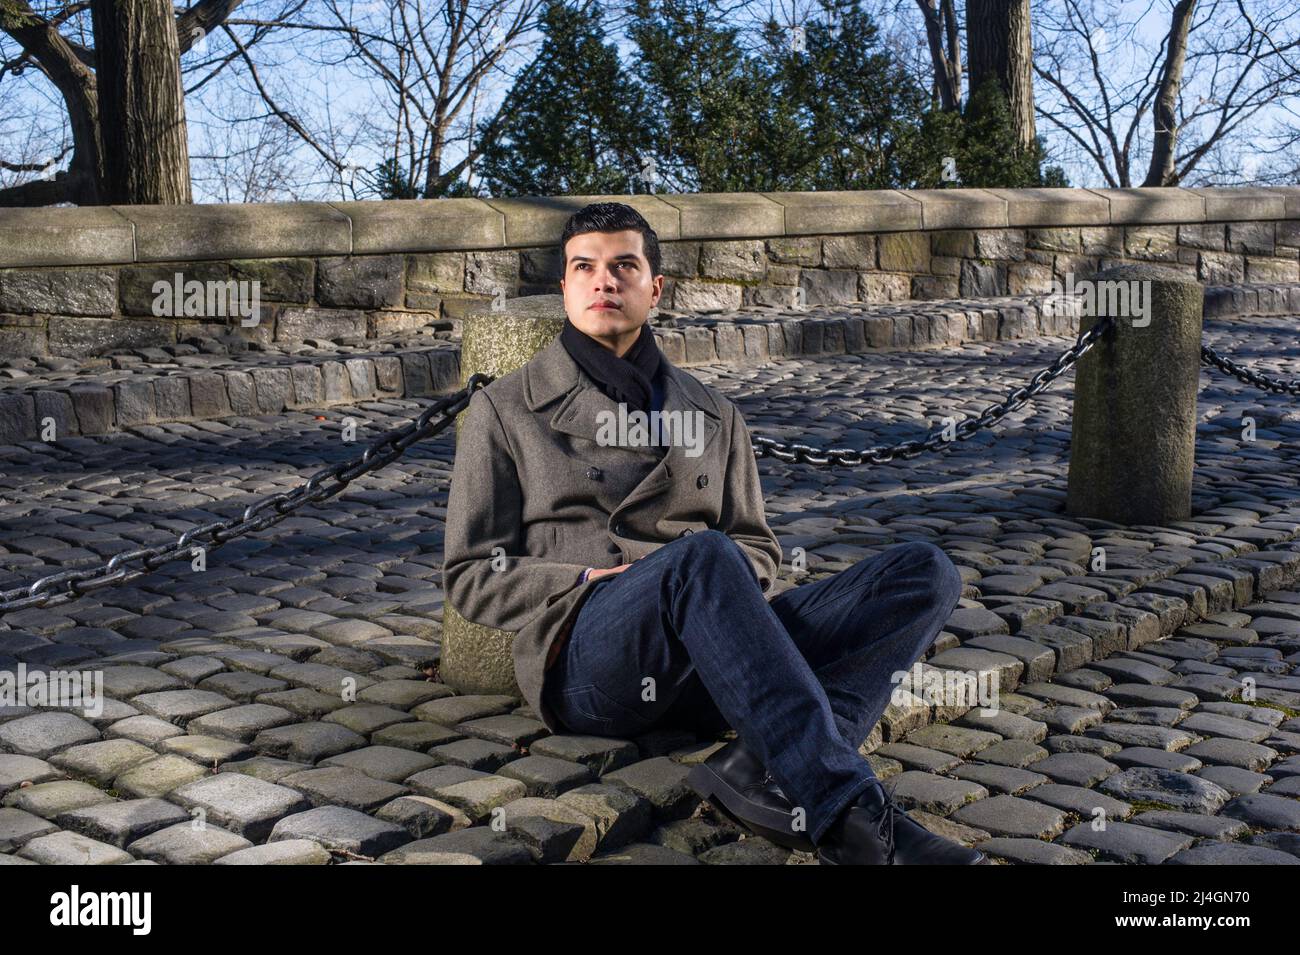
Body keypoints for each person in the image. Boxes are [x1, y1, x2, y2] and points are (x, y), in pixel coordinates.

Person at [443, 201, 984, 864]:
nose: (602, 281)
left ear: (655, 287)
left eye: (623, 266)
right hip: (593, 657)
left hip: (714, 659)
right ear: (563, 288)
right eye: (583, 267)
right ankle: (848, 813)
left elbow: (755, 544)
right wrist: (587, 580)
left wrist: (718, 592)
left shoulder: (713, 412)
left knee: (925, 572)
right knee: (698, 555)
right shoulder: (506, 408)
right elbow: (471, 571)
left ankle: (762, 764)